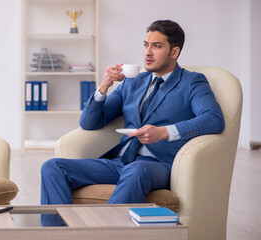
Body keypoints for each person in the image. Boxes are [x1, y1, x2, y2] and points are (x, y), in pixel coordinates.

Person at [40, 20, 225, 226]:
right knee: (52, 167)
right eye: (145, 44)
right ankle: (57, 235)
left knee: (136, 170)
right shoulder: (132, 81)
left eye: (157, 46)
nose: (148, 52)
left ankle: (102, 235)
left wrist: (164, 132)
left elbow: (214, 119)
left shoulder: (192, 82)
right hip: (120, 162)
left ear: (174, 52)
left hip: (157, 164)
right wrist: (104, 86)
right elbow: (89, 123)